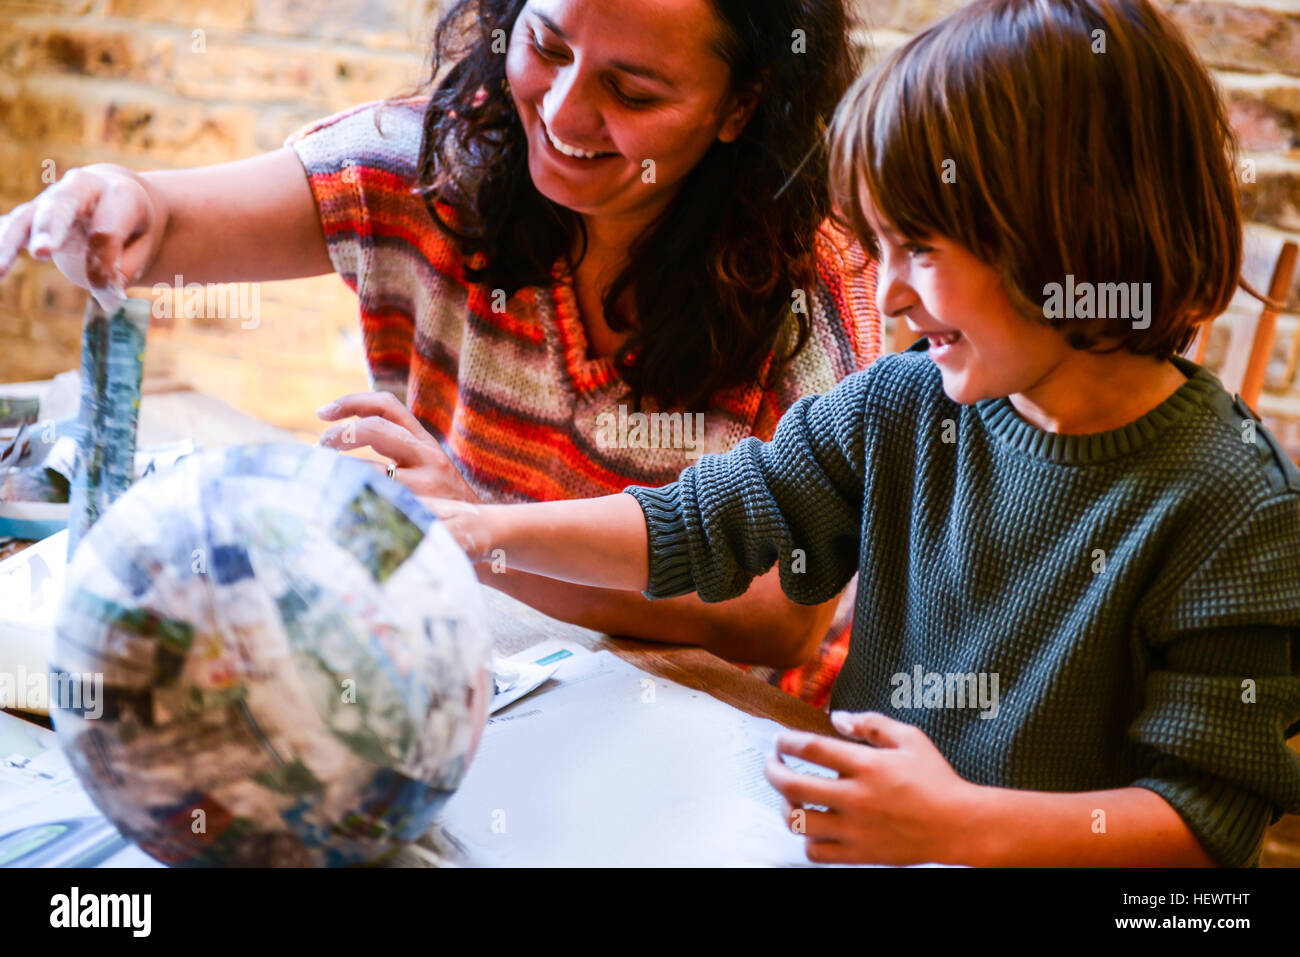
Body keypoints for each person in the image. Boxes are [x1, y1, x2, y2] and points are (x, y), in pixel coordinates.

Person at [419, 0, 1300, 866]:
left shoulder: (1235, 506)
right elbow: (701, 520)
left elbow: (1205, 822)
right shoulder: (903, 406)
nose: (888, 297)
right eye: (880, 248)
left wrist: (958, 823)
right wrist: (487, 533)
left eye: (922, 248)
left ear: (1075, 231)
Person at [0, 0, 880, 696]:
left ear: (741, 106)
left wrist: (482, 533)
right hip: (478, 662)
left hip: (716, 722)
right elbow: (170, 221)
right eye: (546, 44)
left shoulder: (815, 277)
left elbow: (779, 616)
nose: (566, 111)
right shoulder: (433, 157)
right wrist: (117, 204)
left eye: (634, 92)